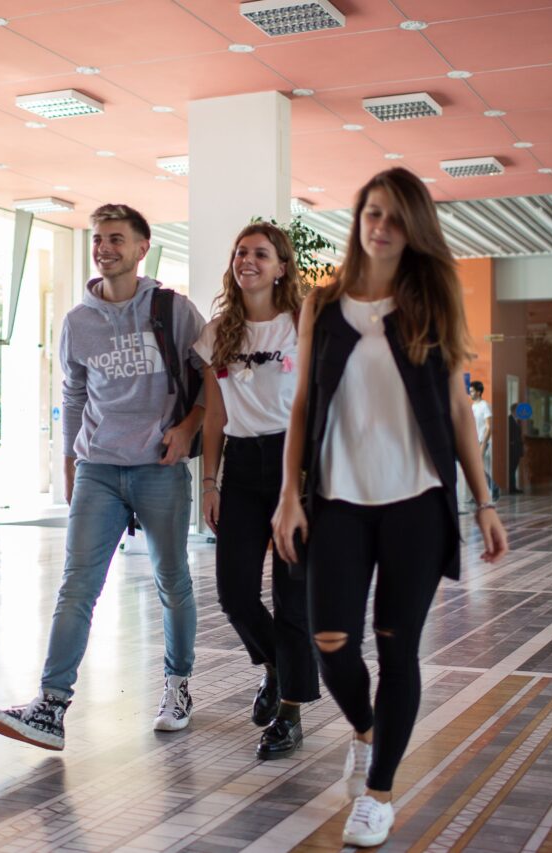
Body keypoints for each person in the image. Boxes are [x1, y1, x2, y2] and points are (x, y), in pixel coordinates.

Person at [271, 168, 508, 848]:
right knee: (331, 644)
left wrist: (484, 499)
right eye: (372, 213)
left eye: (395, 218)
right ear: (358, 220)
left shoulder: (432, 302)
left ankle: (378, 793)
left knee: (396, 649)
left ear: (414, 230)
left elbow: (458, 409)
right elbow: (303, 406)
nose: (380, 227)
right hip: (338, 503)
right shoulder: (323, 302)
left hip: (417, 506)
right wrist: (290, 494)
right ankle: (369, 733)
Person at [0, 203, 205, 750]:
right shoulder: (77, 321)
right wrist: (69, 462)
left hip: (159, 466)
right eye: (98, 239)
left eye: (116, 239)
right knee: (76, 586)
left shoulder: (173, 310)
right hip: (99, 468)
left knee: (171, 580)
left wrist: (188, 429)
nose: (105, 248)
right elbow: (73, 393)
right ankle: (51, 708)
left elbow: (212, 380)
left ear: (141, 247)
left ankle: (178, 686)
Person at [194, 223, 319, 760]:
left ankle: (290, 711)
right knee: (235, 594)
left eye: (261, 254)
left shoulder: (302, 327)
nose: (248, 260)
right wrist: (209, 481)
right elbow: (216, 414)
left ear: (281, 267)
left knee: (293, 600)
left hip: (299, 468)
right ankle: (275, 666)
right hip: (242, 468)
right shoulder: (218, 333)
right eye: (241, 252)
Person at [469, 380, 498, 501]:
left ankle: (490, 489)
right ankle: (489, 489)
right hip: (473, 442)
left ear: (479, 392)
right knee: (474, 468)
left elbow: (489, 427)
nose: (470, 393)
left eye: (472, 391)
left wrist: (484, 443)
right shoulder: (472, 406)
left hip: (482, 441)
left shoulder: (484, 405)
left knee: (475, 468)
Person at [507, 404, 524, 494]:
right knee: (511, 469)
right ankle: (511, 488)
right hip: (512, 449)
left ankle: (513, 487)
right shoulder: (509, 420)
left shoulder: (517, 421)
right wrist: (511, 443)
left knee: (514, 469)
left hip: (517, 449)